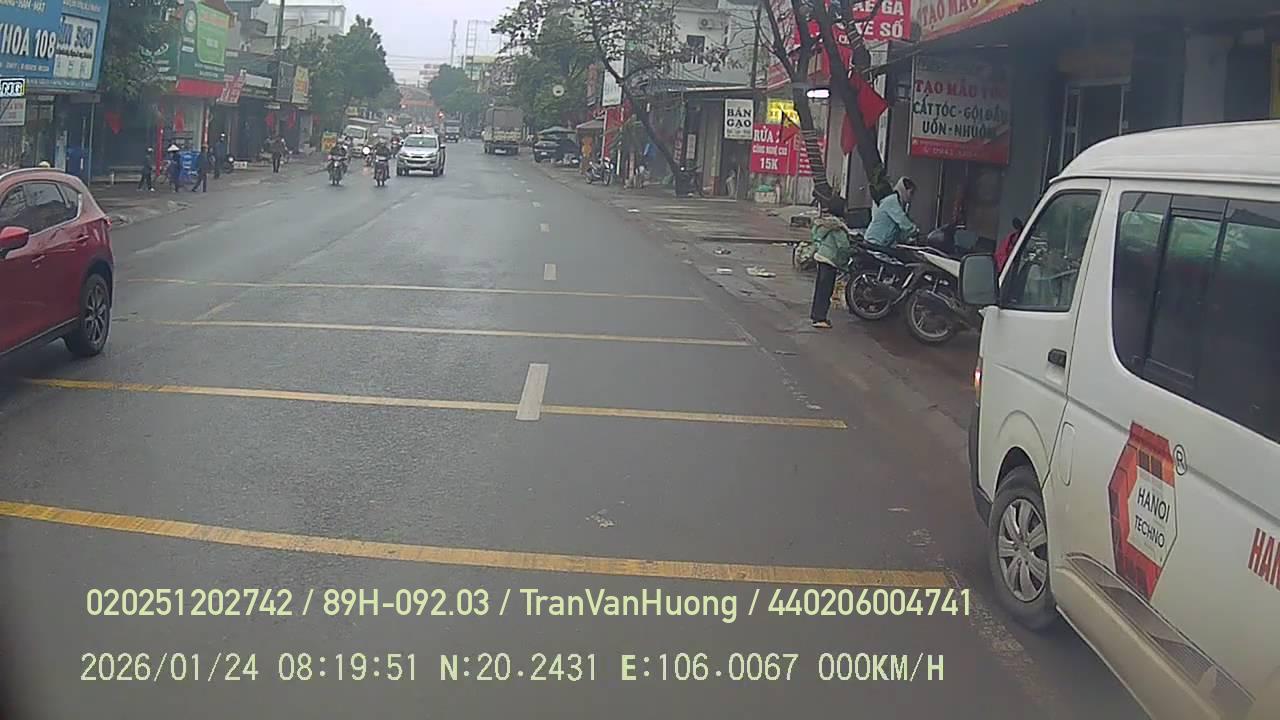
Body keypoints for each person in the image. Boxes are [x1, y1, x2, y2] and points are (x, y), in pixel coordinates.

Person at [809, 195, 854, 330]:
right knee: (825, 290)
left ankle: (816, 316)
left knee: (820, 289)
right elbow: (843, 246)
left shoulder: (825, 223)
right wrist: (847, 258)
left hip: (822, 257)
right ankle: (820, 318)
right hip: (830, 260)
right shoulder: (837, 227)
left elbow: (816, 237)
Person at [864, 177, 919, 247]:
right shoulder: (892, 201)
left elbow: (899, 229)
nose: (912, 197)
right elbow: (902, 221)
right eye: (911, 193)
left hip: (882, 244)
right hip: (874, 242)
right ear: (904, 190)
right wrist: (915, 230)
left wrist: (907, 238)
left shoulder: (900, 204)